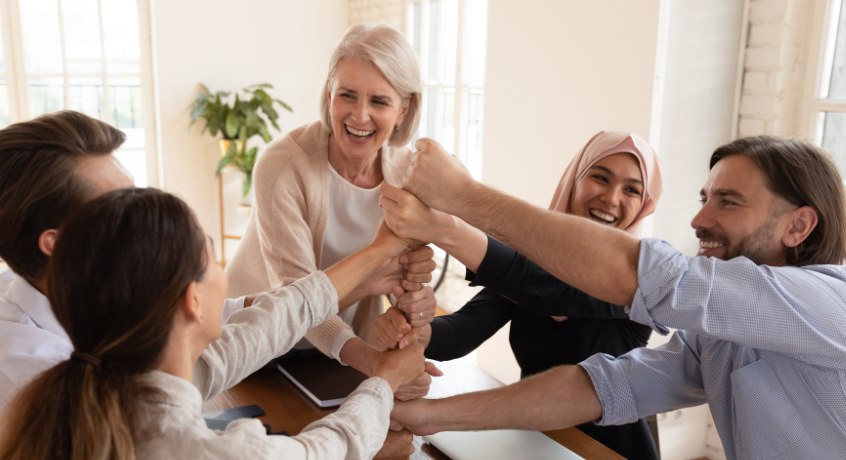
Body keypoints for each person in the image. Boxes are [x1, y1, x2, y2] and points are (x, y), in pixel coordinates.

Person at [0, 111, 432, 459]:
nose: (139, 214)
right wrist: (379, 400)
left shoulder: (103, 348)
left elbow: (238, 338)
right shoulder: (42, 380)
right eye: (118, 207)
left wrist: (373, 258)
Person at [387, 135, 846, 459]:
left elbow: (625, 274)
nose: (698, 219)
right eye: (704, 198)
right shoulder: (719, 334)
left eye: (728, 201)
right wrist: (428, 414)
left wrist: (459, 201)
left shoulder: (826, 305)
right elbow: (604, 386)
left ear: (798, 227)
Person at [372, 131, 664, 459]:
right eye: (600, 177)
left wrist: (449, 225)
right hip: (535, 441)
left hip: (607, 451)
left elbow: (551, 291)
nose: (612, 198)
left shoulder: (642, 279)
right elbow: (466, 328)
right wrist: (419, 333)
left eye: (631, 190)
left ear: (644, 205)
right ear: (574, 181)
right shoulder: (534, 263)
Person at [225, 23, 440, 399]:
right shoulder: (282, 166)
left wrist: (409, 322)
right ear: (328, 94)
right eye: (348, 95)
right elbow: (294, 299)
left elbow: (405, 291)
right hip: (251, 348)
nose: (359, 116)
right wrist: (376, 365)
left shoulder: (411, 177)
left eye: (379, 101)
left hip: (339, 356)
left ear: (404, 109)